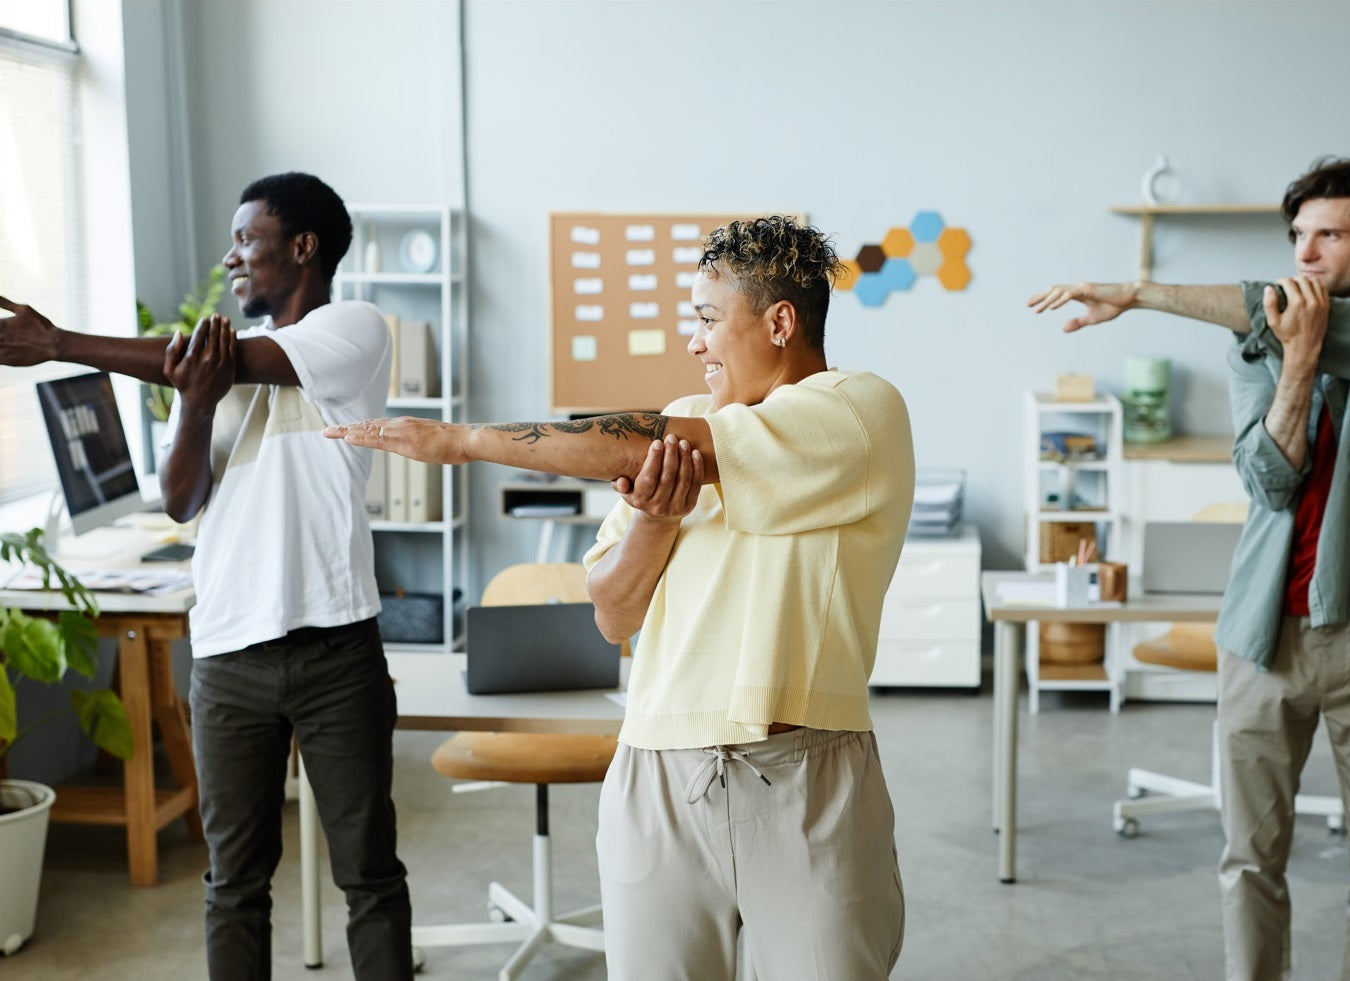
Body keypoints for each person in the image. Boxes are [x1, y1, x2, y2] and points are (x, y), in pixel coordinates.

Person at [327, 215, 912, 981]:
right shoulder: (685, 428)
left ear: (778, 321)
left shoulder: (858, 410)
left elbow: (656, 446)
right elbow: (612, 612)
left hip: (804, 774)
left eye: (707, 320)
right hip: (657, 776)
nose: (694, 342)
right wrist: (652, 520)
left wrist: (461, 440)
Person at [1027, 157, 1350, 981]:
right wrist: (1294, 369)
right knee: (1249, 857)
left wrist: (1135, 292)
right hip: (1261, 635)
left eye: (1327, 234)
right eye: (1296, 235)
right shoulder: (1258, 349)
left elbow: (1281, 312)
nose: (1304, 253)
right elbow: (1266, 480)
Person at [0, 172, 414, 981]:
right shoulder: (209, 366)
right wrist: (191, 401)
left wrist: (58, 344)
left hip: (337, 652)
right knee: (233, 885)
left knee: (367, 873)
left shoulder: (352, 329)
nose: (231, 259)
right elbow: (184, 498)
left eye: (246, 241)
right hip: (229, 657)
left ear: (303, 247)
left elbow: (230, 363)